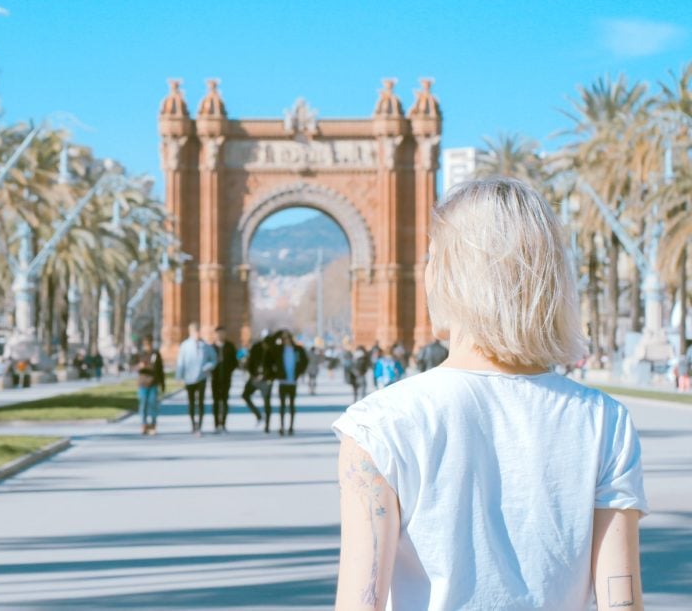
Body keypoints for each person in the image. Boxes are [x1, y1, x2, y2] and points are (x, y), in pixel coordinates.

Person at [332, 177, 647, 609]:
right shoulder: (603, 420)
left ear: (449, 274)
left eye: (431, 257)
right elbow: (622, 602)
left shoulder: (378, 425)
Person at [174, 323, 216, 436]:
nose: (197, 334)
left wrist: (207, 367)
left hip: (201, 378)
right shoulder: (185, 346)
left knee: (201, 403)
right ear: (190, 332)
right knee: (191, 403)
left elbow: (213, 359)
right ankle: (193, 425)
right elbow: (180, 362)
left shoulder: (205, 346)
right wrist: (179, 376)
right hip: (189, 379)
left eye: (198, 331)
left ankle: (200, 426)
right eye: (194, 332)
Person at [243, 329, 278, 432]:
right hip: (255, 378)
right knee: (245, 395)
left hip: (267, 379)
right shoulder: (256, 348)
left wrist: (271, 377)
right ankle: (258, 415)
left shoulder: (273, 349)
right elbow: (250, 362)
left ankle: (267, 425)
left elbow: (275, 365)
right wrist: (253, 375)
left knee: (267, 401)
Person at [277, 331, 308, 436]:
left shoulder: (297, 350)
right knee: (282, 405)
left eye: (287, 338)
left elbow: (305, 361)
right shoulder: (279, 350)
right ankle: (281, 426)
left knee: (291, 405)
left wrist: (299, 372)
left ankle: (291, 427)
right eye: (283, 338)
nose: (286, 340)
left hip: (293, 381)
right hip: (282, 381)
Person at [211, 326, 238, 433]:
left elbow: (234, 362)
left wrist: (229, 370)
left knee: (225, 400)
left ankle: (224, 423)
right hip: (215, 379)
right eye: (219, 333)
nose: (221, 335)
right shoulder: (212, 347)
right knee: (216, 401)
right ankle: (216, 423)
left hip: (226, 378)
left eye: (223, 333)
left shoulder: (230, 347)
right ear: (215, 334)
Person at [136, 336, 165, 435]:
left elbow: (160, 370)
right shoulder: (140, 354)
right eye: (146, 344)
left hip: (153, 383)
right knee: (143, 404)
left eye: (149, 344)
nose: (148, 346)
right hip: (143, 383)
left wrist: (162, 384)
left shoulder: (156, 354)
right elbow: (135, 366)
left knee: (153, 405)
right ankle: (144, 425)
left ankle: (153, 425)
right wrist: (140, 366)